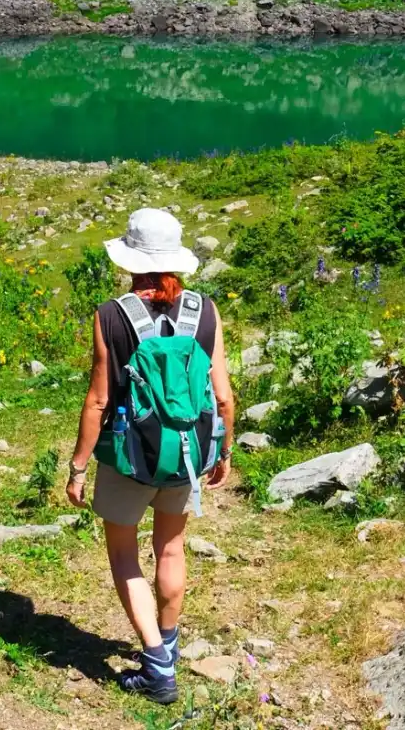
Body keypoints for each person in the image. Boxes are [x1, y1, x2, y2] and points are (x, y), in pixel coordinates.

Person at [66, 207, 237, 704]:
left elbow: (98, 399)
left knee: (123, 553)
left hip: (129, 455)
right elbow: (222, 395)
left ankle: (158, 666)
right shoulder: (204, 311)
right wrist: (221, 449)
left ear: (130, 260)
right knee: (171, 548)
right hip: (186, 451)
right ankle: (170, 642)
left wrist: (78, 467)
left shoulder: (111, 314)